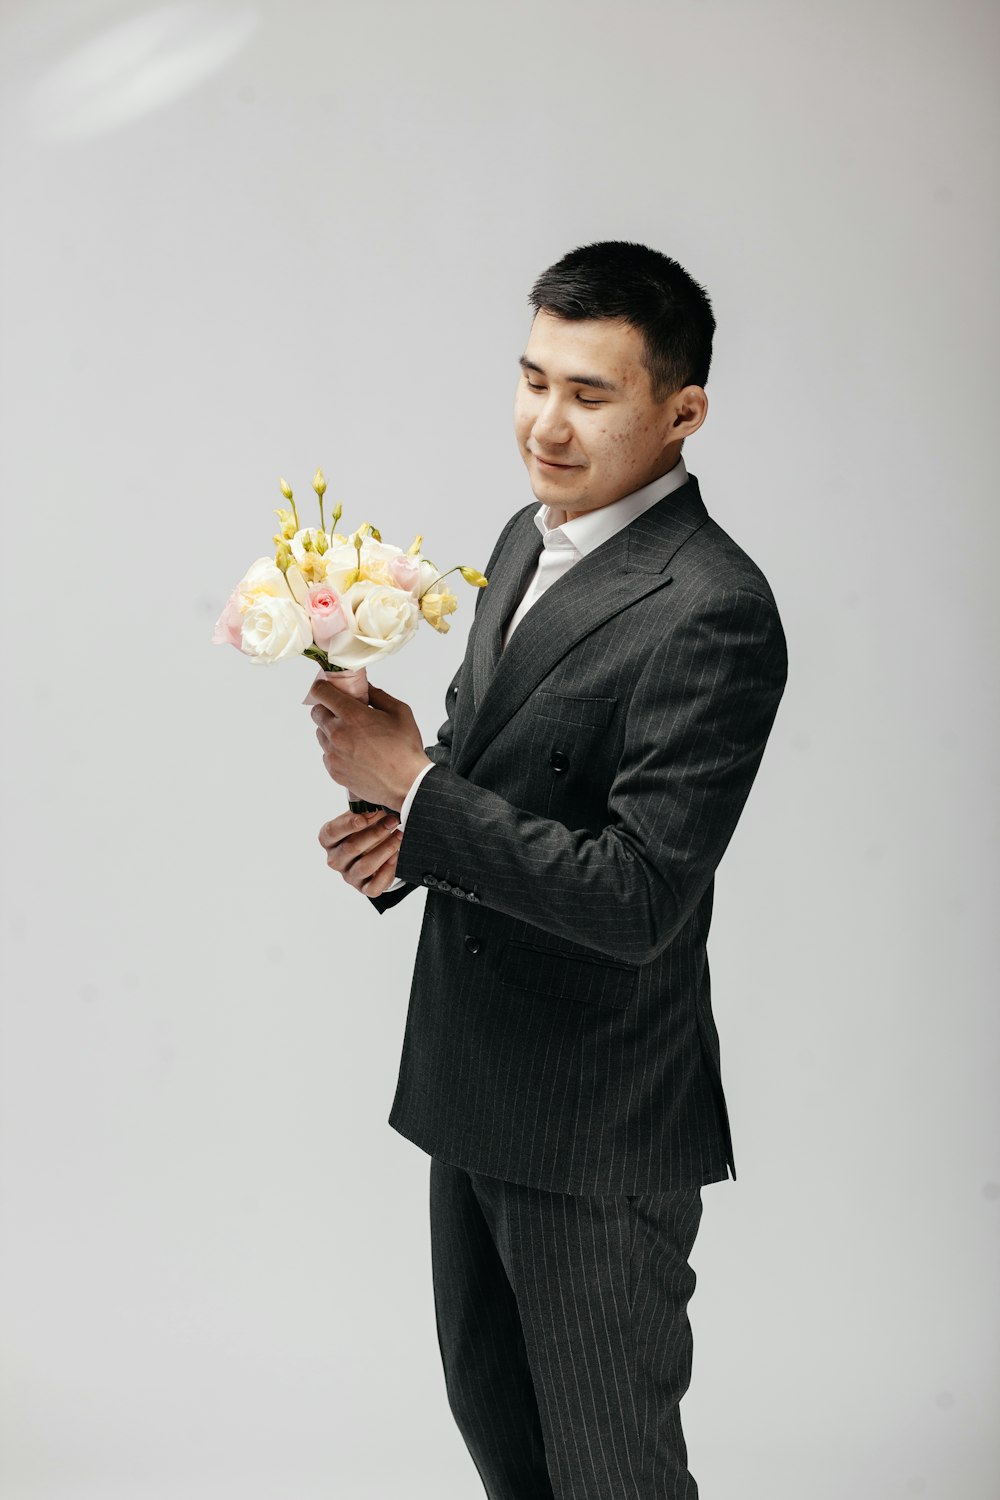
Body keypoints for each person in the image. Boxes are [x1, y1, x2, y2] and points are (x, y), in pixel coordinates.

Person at [308, 240, 787, 1499]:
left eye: (590, 393)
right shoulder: (524, 542)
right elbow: (492, 765)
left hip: (597, 1122)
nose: (547, 424)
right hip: (472, 1083)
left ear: (681, 413)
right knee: (505, 1451)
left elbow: (637, 896)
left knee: (610, 1472)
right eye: (532, 381)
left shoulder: (712, 606)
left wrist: (417, 789)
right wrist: (398, 840)